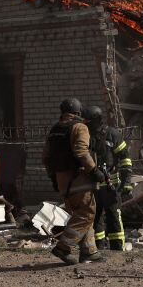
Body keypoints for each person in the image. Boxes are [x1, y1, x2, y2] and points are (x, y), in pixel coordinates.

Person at [42, 97, 105, 265]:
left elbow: (46, 157)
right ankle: (63, 247)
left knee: (82, 214)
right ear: (78, 112)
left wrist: (53, 178)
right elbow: (81, 151)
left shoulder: (54, 130)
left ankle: (89, 251)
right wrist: (94, 170)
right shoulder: (79, 127)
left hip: (62, 180)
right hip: (78, 179)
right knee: (86, 213)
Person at [83, 105, 134, 251]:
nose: (85, 124)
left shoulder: (113, 134)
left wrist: (126, 183)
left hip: (110, 186)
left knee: (113, 217)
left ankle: (117, 249)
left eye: (87, 122)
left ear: (96, 120)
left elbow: (125, 159)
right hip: (91, 186)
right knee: (95, 218)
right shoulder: (85, 136)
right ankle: (98, 248)